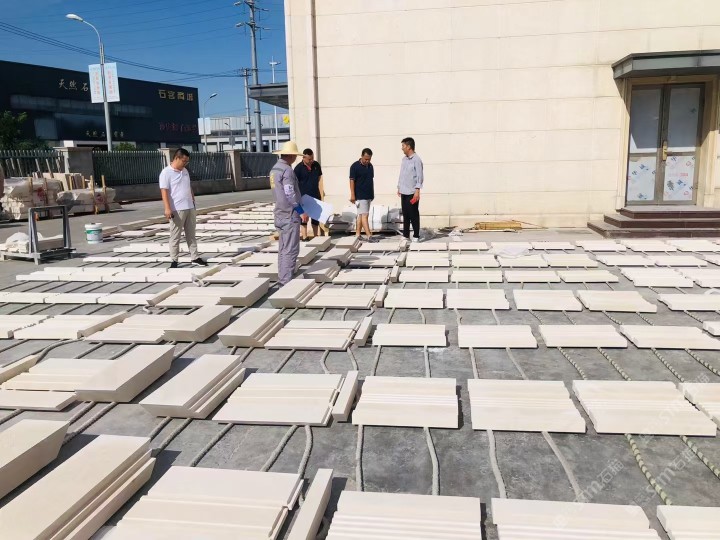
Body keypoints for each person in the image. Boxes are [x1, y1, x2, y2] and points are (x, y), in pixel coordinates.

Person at [159, 148, 206, 268]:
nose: (185, 163)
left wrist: (193, 200)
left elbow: (188, 186)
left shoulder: (185, 171)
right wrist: (167, 208)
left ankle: (195, 257)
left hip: (189, 207)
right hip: (177, 209)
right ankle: (174, 260)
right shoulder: (166, 173)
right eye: (184, 161)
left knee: (191, 234)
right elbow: (164, 191)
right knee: (175, 235)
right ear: (176, 158)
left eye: (187, 161)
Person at [270, 141, 308, 285]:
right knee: (291, 249)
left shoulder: (275, 169)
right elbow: (289, 192)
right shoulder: (287, 171)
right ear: (291, 156)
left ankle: (282, 277)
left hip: (279, 213)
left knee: (283, 249)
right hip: (289, 214)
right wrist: (300, 211)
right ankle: (285, 282)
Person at [294, 148, 325, 240]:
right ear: (303, 158)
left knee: (315, 217)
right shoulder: (298, 168)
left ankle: (316, 236)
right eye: (309, 159)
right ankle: (304, 236)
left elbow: (319, 179)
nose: (311, 161)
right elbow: (294, 184)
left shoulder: (316, 165)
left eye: (312, 158)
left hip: (315, 195)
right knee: (304, 218)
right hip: (303, 197)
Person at [397, 137, 424, 242]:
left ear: (408, 147)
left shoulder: (417, 160)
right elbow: (402, 174)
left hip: (412, 192)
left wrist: (417, 191)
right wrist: (399, 187)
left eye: (403, 146)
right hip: (403, 191)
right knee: (406, 214)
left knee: (413, 215)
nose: (402, 148)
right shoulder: (404, 159)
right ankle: (406, 235)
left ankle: (416, 236)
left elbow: (419, 176)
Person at [349, 148, 375, 241]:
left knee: (360, 215)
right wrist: (352, 195)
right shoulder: (354, 166)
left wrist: (372, 194)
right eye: (366, 159)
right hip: (360, 195)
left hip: (368, 194)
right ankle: (369, 236)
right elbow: (352, 181)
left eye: (369, 159)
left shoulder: (370, 166)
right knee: (365, 215)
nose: (367, 161)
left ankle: (357, 234)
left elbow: (371, 180)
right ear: (361, 156)